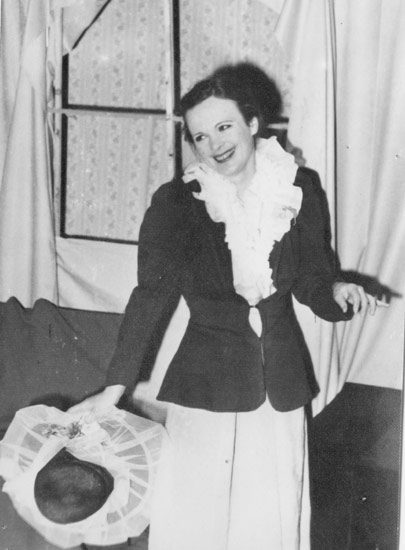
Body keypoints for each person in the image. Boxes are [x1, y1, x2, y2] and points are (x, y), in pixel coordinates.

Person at [69, 64, 377, 550]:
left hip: (280, 385)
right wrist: (115, 388)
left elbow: (313, 277)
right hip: (205, 384)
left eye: (224, 126)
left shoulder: (298, 187)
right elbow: (150, 296)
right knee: (194, 520)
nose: (214, 144)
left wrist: (336, 292)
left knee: (271, 519)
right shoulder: (177, 203)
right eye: (200, 136)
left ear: (252, 123)